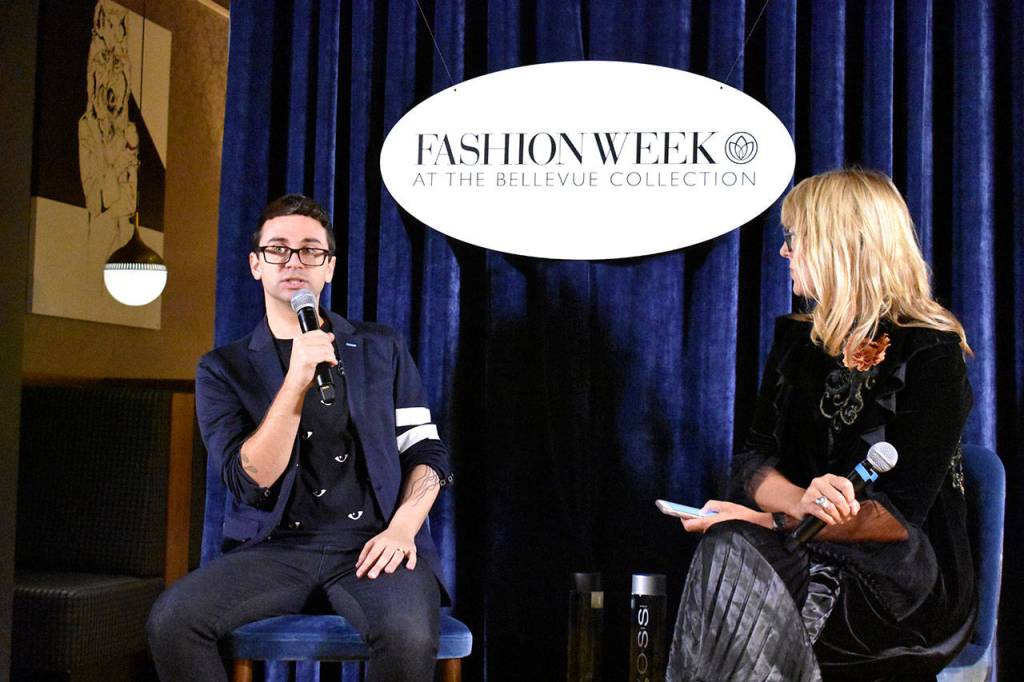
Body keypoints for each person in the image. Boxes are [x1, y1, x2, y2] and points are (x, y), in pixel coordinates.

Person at [667, 169, 975, 681]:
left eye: (796, 238)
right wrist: (798, 503)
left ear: (844, 243)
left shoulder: (930, 353)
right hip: (799, 545)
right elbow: (754, 462)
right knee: (733, 554)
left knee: (733, 551)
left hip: (892, 580)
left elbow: (896, 517)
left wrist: (761, 523)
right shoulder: (795, 341)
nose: (785, 252)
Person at [147, 194, 453, 681]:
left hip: (373, 541)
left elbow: (427, 451)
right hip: (276, 548)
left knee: (408, 635)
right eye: (278, 249)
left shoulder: (381, 346)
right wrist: (296, 378)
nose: (294, 261)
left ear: (328, 268)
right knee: (172, 621)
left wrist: (403, 528)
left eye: (311, 250)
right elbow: (250, 481)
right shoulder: (222, 369)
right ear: (256, 265)